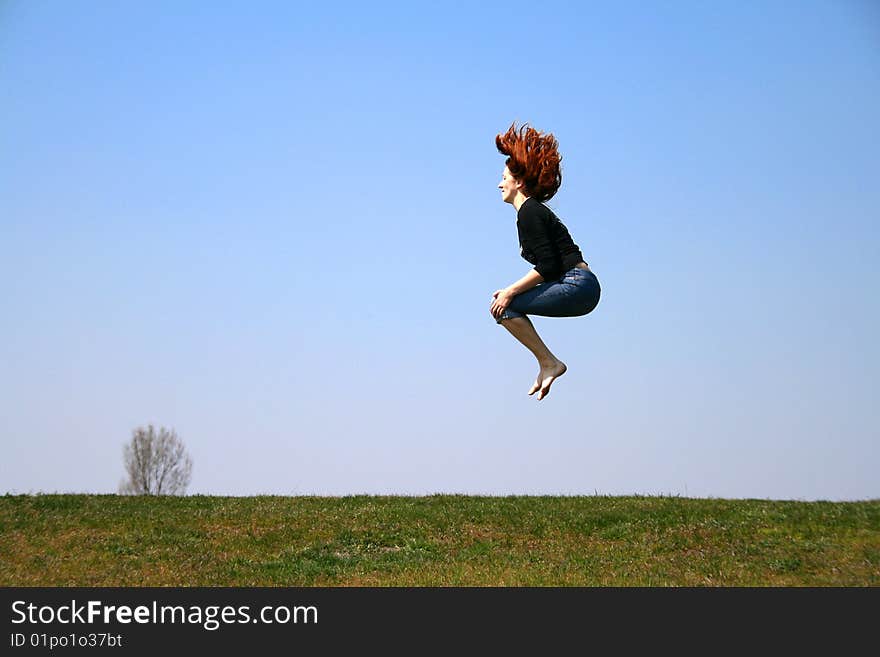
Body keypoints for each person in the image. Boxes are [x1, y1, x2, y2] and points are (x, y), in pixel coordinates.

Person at [491, 122, 601, 400]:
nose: (499, 183)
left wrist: (511, 291)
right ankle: (547, 363)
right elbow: (550, 267)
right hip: (581, 287)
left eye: (504, 177)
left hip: (578, 285)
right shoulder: (529, 213)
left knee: (505, 306)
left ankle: (549, 363)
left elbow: (549, 267)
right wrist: (511, 292)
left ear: (519, 182)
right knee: (505, 304)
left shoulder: (529, 211)